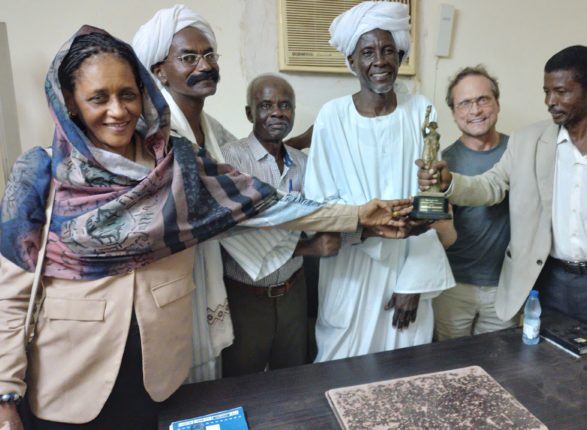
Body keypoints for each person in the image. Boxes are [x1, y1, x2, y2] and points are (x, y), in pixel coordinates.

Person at [0, 27, 410, 429]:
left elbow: (265, 204)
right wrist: (5, 396)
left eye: (127, 94)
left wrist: (357, 215)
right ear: (70, 103)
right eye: (98, 98)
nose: (118, 110)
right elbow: (11, 296)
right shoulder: (40, 172)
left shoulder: (177, 163)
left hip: (161, 378)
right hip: (70, 383)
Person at [419, 45, 587, 339]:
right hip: (548, 283)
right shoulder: (527, 141)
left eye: (561, 92)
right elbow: (490, 186)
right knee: (545, 362)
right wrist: (449, 182)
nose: (550, 101)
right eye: (547, 92)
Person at [131, 5, 297, 382]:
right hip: (170, 275)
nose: (204, 65)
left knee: (210, 376)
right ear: (159, 71)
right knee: (175, 376)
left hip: (210, 267)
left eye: (209, 55)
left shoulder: (210, 126)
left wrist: (306, 140)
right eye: (188, 58)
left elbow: (248, 155)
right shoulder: (150, 133)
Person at [304, 1, 455, 362]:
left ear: (400, 56)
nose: (379, 61)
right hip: (350, 270)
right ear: (352, 60)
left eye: (388, 50)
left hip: (406, 267)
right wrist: (367, 226)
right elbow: (318, 203)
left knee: (406, 373)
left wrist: (415, 282)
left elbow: (429, 200)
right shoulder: (332, 117)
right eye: (368, 52)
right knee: (342, 369)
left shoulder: (421, 111)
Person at [219, 74, 337, 375]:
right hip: (245, 298)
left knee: (294, 379)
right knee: (242, 384)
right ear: (249, 113)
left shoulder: (303, 163)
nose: (277, 113)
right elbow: (238, 233)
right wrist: (308, 248)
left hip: (294, 293)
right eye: (266, 105)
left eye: (285, 105)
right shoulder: (230, 159)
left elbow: (318, 216)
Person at [432, 66, 514, 341]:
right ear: (454, 112)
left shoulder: (519, 153)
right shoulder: (444, 163)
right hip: (453, 286)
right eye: (465, 103)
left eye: (483, 100)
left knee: (501, 359)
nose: (475, 110)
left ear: (497, 103)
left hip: (506, 286)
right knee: (450, 360)